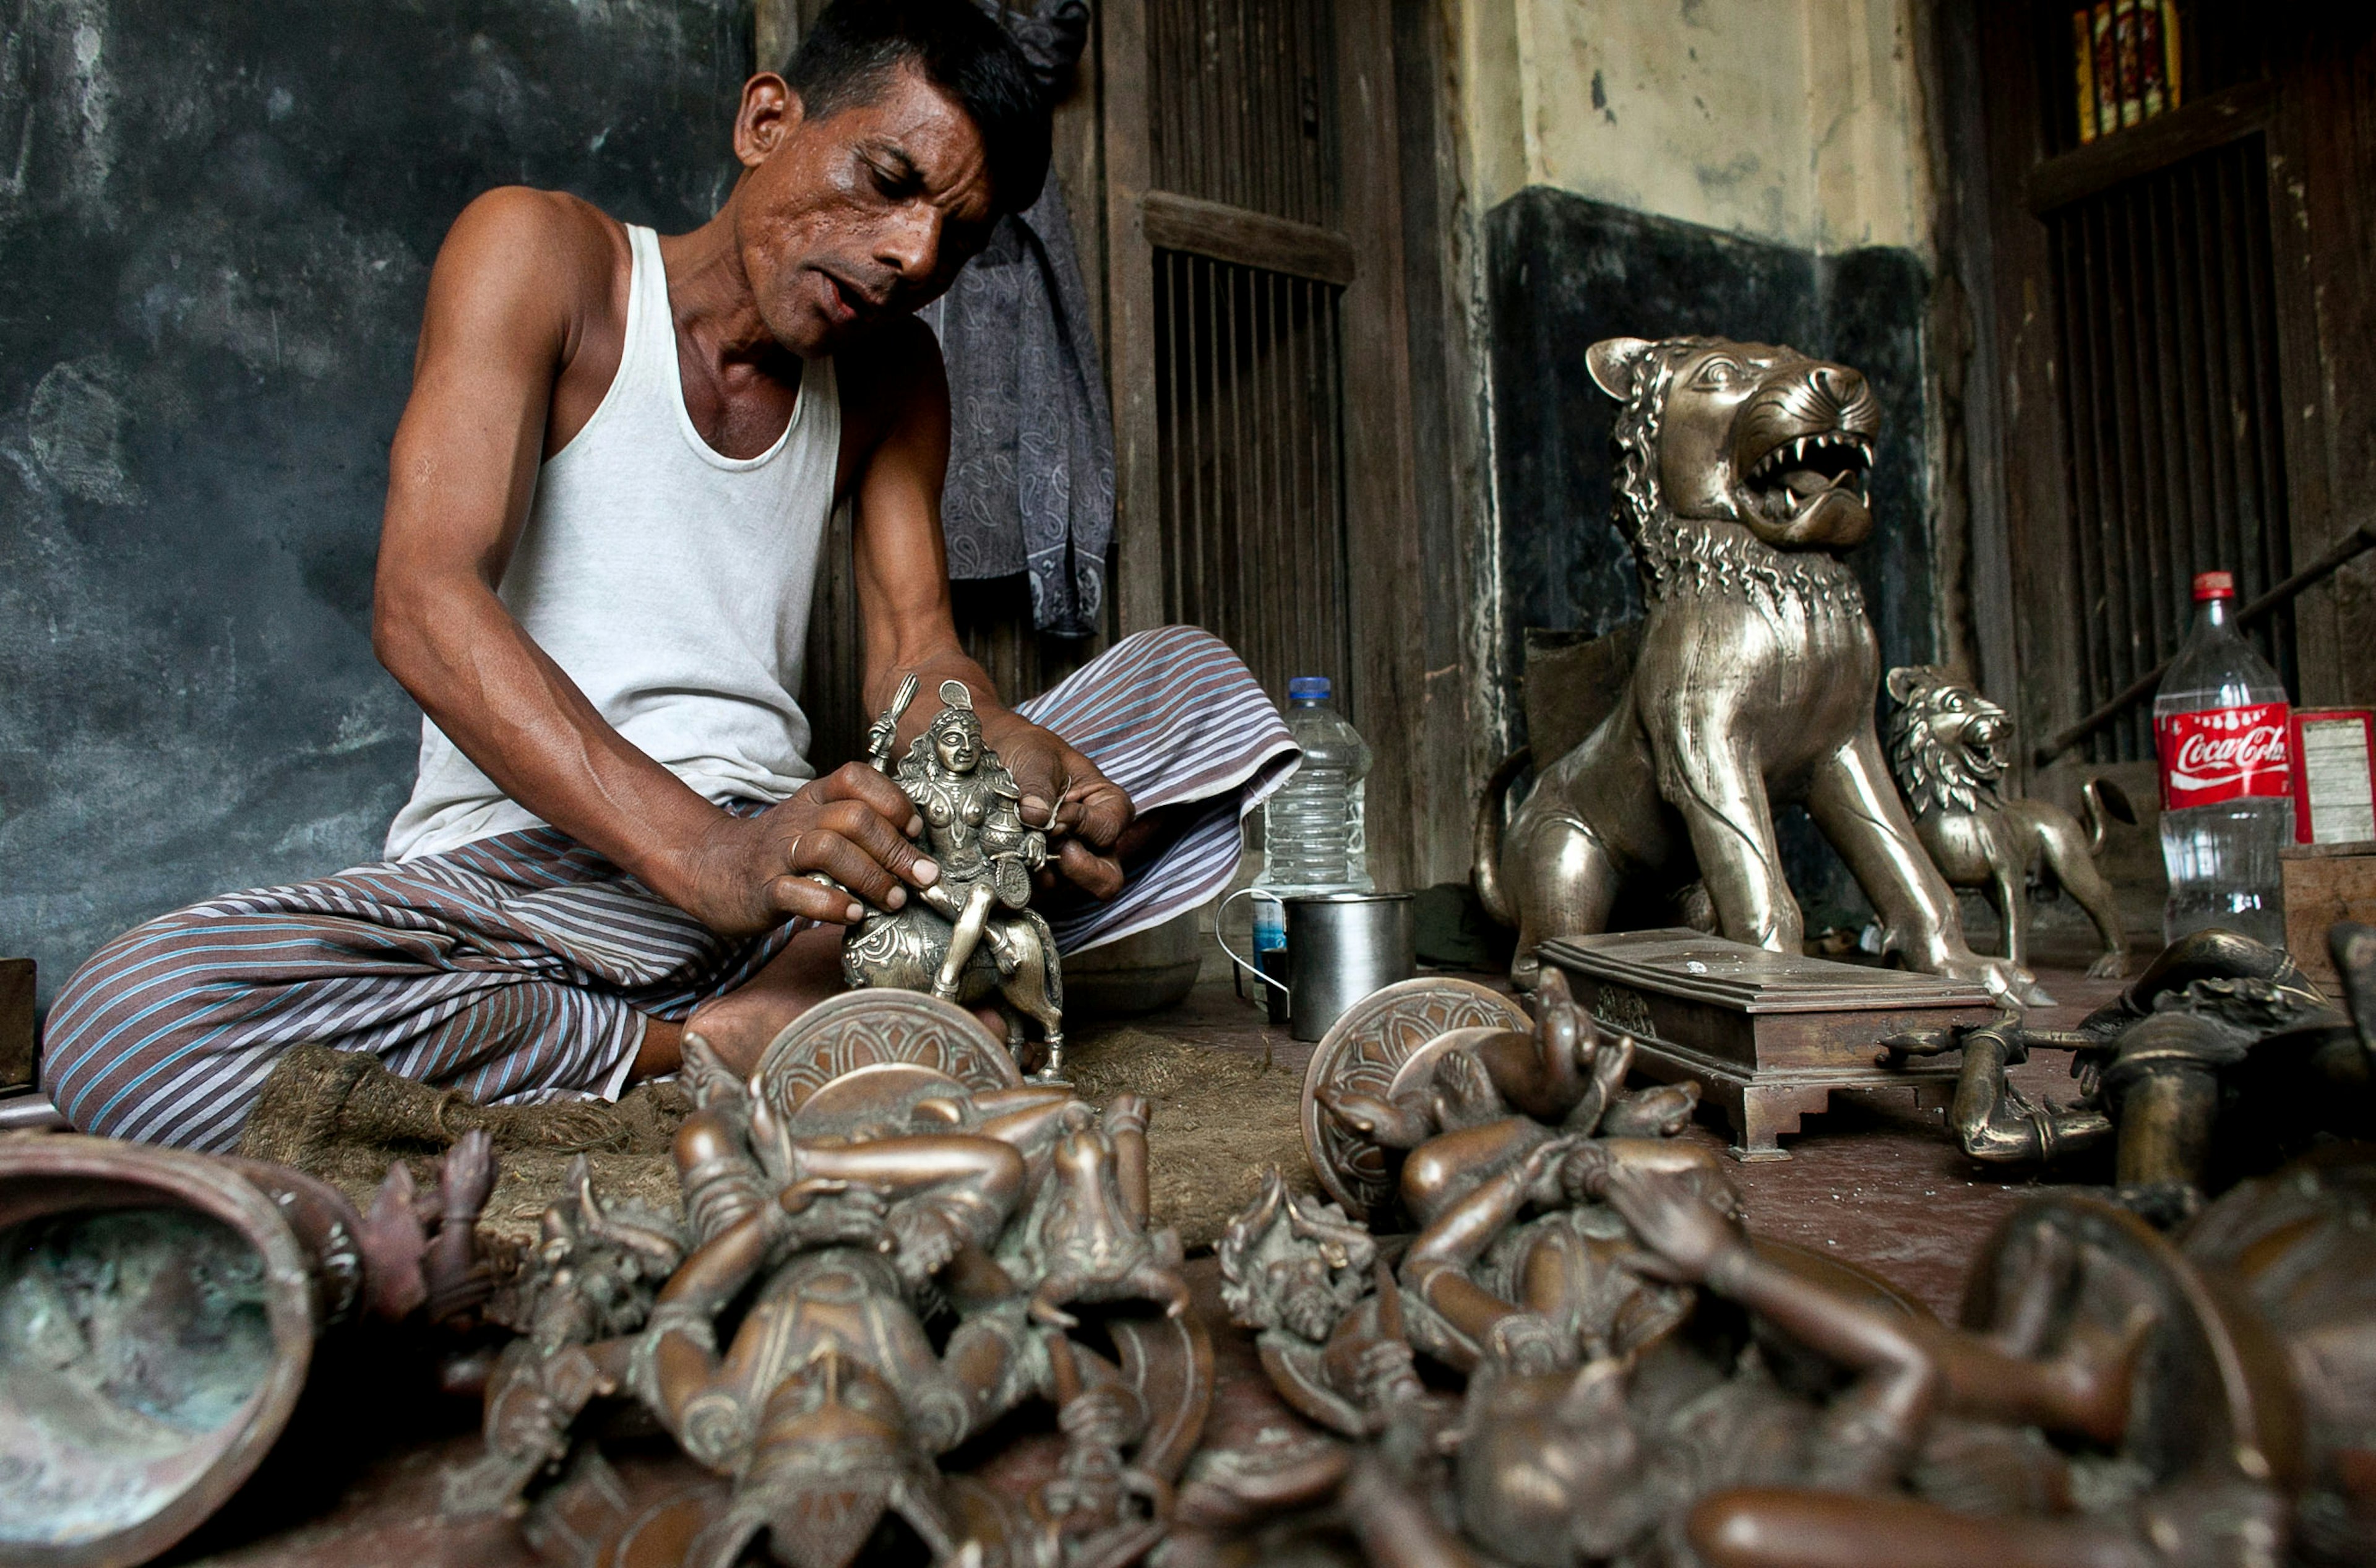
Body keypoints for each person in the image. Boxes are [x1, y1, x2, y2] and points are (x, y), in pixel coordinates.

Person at [41, 0, 1293, 1153]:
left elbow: (917, 662)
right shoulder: (546, 259)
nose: (911, 254)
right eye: (888, 181)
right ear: (768, 121)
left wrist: (994, 756)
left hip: (806, 892)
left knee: (1190, 687)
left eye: (953, 238)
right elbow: (425, 604)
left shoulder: (895, 376)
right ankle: (699, 1051)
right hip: (533, 886)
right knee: (125, 1022)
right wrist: (706, 857)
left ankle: (801, 1005)